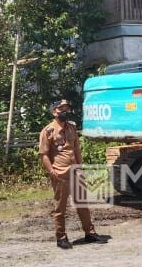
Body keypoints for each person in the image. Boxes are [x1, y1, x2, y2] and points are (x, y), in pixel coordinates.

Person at [38, 99, 101, 249]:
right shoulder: (48, 131)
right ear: (54, 112)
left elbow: (76, 149)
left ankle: (90, 233)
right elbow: (43, 154)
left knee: (82, 203)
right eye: (61, 109)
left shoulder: (72, 127)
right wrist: (52, 171)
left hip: (75, 171)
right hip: (60, 173)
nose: (65, 111)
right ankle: (61, 238)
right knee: (60, 207)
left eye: (67, 108)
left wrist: (81, 168)